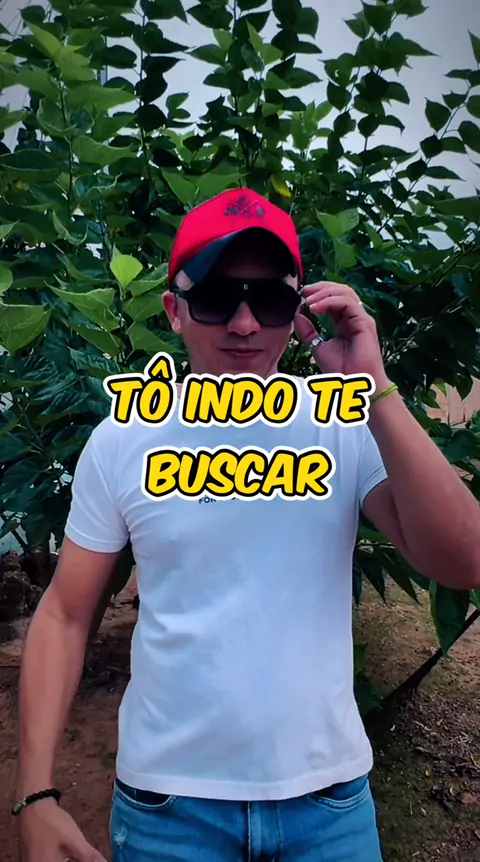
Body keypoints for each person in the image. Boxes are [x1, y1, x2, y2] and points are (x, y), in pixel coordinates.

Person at [14, 188, 480, 862]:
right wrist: (34, 793)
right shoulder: (126, 440)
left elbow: (464, 561)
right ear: (173, 310)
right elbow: (63, 614)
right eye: (215, 297)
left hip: (328, 807)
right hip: (169, 811)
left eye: (268, 301)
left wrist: (375, 386)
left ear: (296, 313)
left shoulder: (342, 426)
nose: (243, 323)